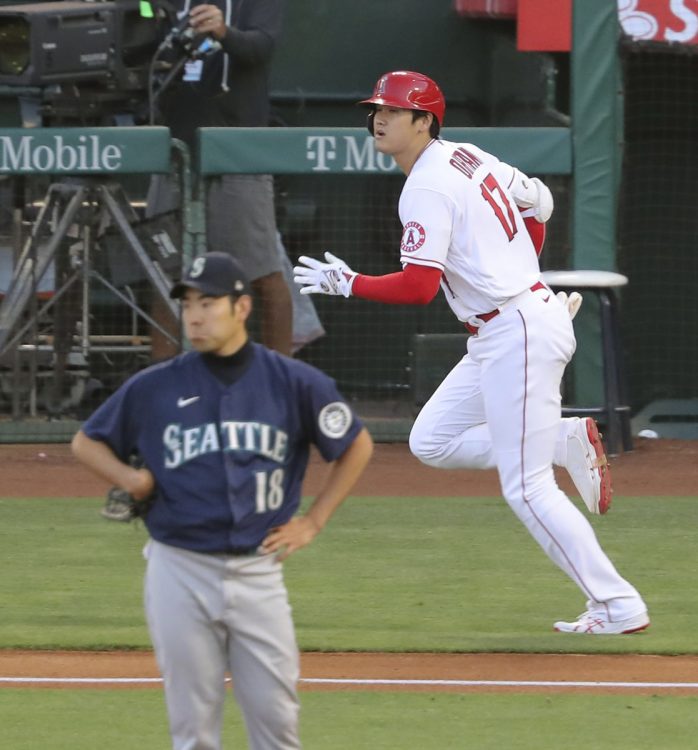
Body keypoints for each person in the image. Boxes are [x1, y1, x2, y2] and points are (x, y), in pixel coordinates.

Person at [294, 70, 649, 636]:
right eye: (375, 109)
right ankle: (562, 437)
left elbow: (417, 288)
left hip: (518, 329)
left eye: (393, 110)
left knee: (527, 487)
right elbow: (541, 203)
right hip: (508, 325)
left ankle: (617, 603)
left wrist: (350, 282)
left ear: (424, 121)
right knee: (430, 440)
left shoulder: (427, 185)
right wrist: (522, 271)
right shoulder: (466, 156)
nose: (379, 119)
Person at [71, 251, 373, 749]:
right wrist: (134, 480)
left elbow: (355, 443)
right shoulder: (155, 386)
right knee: (192, 727)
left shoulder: (292, 382)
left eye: (207, 302)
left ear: (242, 308)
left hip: (258, 570)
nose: (194, 314)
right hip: (178, 568)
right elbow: (86, 441)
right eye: (188, 303)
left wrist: (313, 522)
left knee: (277, 722)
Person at [149, 0, 293, 359]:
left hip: (237, 151)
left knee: (263, 274)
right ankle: (165, 387)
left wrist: (224, 33)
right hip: (172, 149)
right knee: (163, 276)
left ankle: (284, 382)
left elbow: (261, 46)